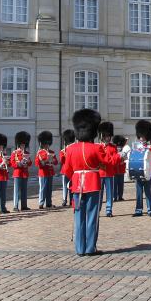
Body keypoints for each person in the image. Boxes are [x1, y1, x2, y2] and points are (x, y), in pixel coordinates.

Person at [61, 108, 119, 256]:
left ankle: (80, 249)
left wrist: (74, 178)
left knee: (79, 216)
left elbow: (66, 170)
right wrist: (122, 156)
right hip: (92, 183)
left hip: (76, 185)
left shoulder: (71, 149)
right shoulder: (96, 148)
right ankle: (90, 248)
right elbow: (109, 162)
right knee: (92, 216)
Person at [132, 120, 151, 217]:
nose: (142, 138)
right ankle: (138, 210)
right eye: (140, 137)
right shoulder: (136, 146)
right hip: (138, 170)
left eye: (143, 137)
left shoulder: (150, 147)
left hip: (148, 171)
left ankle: (150, 209)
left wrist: (147, 147)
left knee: (148, 191)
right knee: (138, 192)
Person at [97, 122, 116, 217]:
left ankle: (109, 210)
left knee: (109, 193)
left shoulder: (113, 147)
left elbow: (114, 160)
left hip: (109, 173)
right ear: (102, 136)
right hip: (100, 173)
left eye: (109, 136)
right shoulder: (98, 146)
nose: (108, 138)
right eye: (106, 136)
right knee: (99, 194)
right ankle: (98, 209)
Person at [10, 131, 31, 211]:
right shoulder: (15, 153)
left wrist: (27, 162)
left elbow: (30, 163)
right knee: (16, 191)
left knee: (24, 190)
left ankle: (24, 205)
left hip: (25, 174)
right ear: (19, 145)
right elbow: (12, 163)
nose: (23, 146)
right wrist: (20, 163)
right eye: (22, 145)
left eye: (24, 145)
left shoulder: (26, 153)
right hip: (18, 173)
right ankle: (15, 206)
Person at [35, 131, 57, 209]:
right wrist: (45, 161)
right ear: (43, 144)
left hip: (50, 172)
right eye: (46, 144)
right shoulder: (40, 152)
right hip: (43, 173)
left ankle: (48, 203)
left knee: (49, 189)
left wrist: (53, 160)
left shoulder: (52, 152)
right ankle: (41, 203)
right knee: (43, 189)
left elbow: (56, 162)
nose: (47, 145)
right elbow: (37, 163)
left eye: (48, 144)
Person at [59, 129, 75, 206]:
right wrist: (65, 154)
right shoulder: (63, 151)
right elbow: (62, 161)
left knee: (72, 185)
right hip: (65, 171)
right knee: (65, 186)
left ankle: (71, 200)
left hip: (72, 171)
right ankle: (64, 200)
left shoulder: (73, 150)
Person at [112, 134, 128, 202]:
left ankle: (120, 196)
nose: (119, 148)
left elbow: (126, 158)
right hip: (115, 170)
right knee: (115, 184)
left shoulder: (123, 150)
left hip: (121, 169)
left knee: (121, 184)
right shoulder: (114, 150)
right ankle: (114, 197)